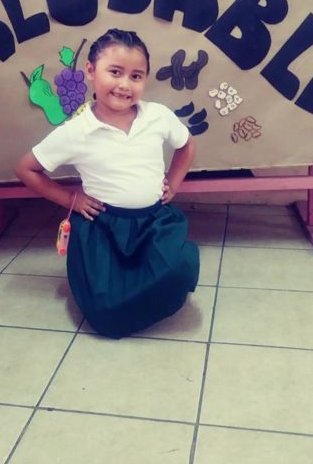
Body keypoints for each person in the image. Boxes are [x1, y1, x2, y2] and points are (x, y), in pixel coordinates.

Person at [15, 28, 200, 339]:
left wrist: (174, 182)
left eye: (136, 76)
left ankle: (148, 293)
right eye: (115, 72)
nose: (125, 84)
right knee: (105, 313)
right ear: (90, 71)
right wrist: (71, 199)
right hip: (104, 228)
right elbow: (26, 169)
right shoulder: (76, 131)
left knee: (178, 269)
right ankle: (118, 297)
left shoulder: (157, 116)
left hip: (154, 223)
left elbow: (187, 145)